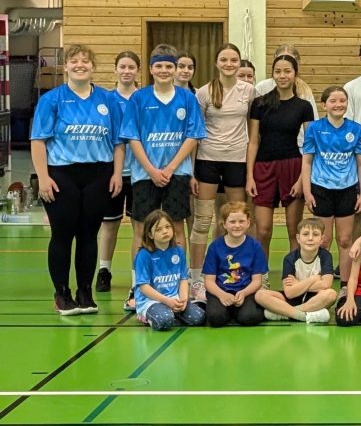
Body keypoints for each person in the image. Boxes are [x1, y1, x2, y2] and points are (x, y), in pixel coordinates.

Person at [31, 44, 125, 315]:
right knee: (63, 234)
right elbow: (39, 140)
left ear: (93, 67)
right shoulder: (52, 99)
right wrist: (44, 177)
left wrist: (117, 173)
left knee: (88, 235)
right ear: (66, 66)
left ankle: (85, 290)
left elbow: (119, 142)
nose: (80, 65)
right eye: (74, 61)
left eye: (86, 61)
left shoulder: (108, 100)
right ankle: (62, 293)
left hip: (99, 174)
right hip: (62, 174)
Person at [120, 44, 206, 309]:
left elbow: (193, 136)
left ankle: (184, 285)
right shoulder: (139, 98)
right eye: (159, 66)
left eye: (169, 66)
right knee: (140, 230)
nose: (165, 70)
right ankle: (137, 288)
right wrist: (151, 170)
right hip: (144, 174)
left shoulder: (187, 99)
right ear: (150, 69)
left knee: (177, 228)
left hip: (177, 173)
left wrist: (170, 168)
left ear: (176, 68)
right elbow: (132, 137)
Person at [191, 43, 255, 302]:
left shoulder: (249, 91)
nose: (229, 64)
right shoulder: (204, 93)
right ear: (216, 63)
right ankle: (196, 278)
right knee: (203, 221)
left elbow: (254, 131)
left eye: (234, 60)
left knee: (237, 220)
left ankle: (242, 273)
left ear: (240, 63)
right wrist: (193, 171)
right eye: (224, 60)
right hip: (208, 159)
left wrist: (250, 171)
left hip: (236, 161)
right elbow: (195, 134)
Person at [246, 53, 315, 258]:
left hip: (292, 168)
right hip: (263, 168)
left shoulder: (303, 106)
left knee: (294, 230)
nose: (282, 75)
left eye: (287, 71)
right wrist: (250, 176)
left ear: (295, 74)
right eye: (278, 71)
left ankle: (293, 275)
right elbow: (253, 141)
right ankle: (262, 277)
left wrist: (303, 179)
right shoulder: (259, 103)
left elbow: (310, 146)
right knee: (263, 229)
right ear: (272, 74)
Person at [301, 85, 361, 293]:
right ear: (324, 105)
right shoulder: (314, 128)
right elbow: (307, 162)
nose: (338, 105)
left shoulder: (356, 129)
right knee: (324, 240)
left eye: (342, 101)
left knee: (346, 239)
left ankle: (346, 286)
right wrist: (307, 191)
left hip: (347, 190)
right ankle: (320, 283)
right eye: (333, 101)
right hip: (321, 189)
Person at [96, 50, 140, 295]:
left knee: (139, 227)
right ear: (115, 69)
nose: (126, 71)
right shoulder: (106, 99)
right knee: (109, 225)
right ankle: (104, 270)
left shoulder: (143, 98)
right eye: (122, 66)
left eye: (131, 67)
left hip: (139, 173)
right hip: (112, 172)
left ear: (138, 71)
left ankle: (137, 279)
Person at [133, 209, 206, 330]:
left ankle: (173, 312)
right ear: (150, 235)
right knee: (164, 321)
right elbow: (143, 287)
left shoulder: (178, 250)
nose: (165, 231)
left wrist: (183, 299)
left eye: (167, 227)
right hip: (151, 301)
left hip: (174, 299)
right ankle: (144, 315)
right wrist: (166, 301)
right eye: (158, 229)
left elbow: (183, 279)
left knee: (199, 318)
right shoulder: (144, 255)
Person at [254, 217, 336, 324]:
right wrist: (313, 279)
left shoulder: (325, 256)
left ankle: (286, 313)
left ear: (321, 239)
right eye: (305, 234)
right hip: (292, 299)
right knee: (260, 295)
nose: (310, 238)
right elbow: (289, 293)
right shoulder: (290, 259)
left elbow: (326, 284)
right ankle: (304, 316)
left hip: (315, 298)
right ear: (298, 238)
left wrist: (298, 283)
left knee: (331, 294)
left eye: (315, 235)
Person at [202, 200, 267, 327]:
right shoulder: (215, 247)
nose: (237, 225)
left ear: (248, 223)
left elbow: (256, 281)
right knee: (216, 318)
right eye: (232, 222)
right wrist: (222, 295)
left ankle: (241, 311)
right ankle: (225, 310)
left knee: (249, 318)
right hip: (220, 291)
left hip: (246, 291)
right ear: (224, 224)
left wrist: (243, 293)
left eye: (241, 221)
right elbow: (209, 281)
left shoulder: (255, 246)